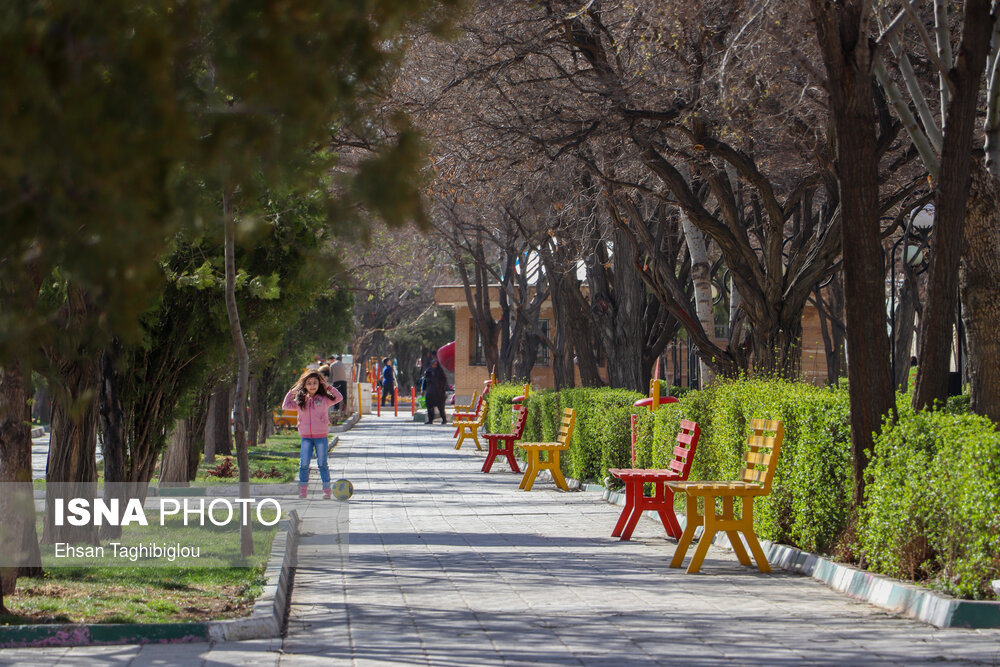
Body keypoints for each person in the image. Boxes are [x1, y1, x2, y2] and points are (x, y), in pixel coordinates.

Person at [283, 369, 343, 499]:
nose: (312, 386)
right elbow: (286, 405)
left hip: (321, 437)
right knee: (304, 464)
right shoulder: (300, 400)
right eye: (309, 383)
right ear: (304, 385)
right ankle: (303, 491)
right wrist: (293, 391)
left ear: (319, 384)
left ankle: (326, 491)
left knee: (322, 464)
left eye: (315, 383)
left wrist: (327, 386)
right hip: (306, 438)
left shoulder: (324, 399)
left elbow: (339, 397)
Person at [422, 357, 448, 425]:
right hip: (430, 393)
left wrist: (441, 387)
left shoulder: (440, 371)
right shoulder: (428, 371)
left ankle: (444, 419)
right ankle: (430, 420)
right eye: (433, 364)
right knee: (430, 408)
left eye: (436, 365)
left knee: (441, 408)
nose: (434, 366)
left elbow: (444, 380)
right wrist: (423, 390)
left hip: (439, 393)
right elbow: (425, 381)